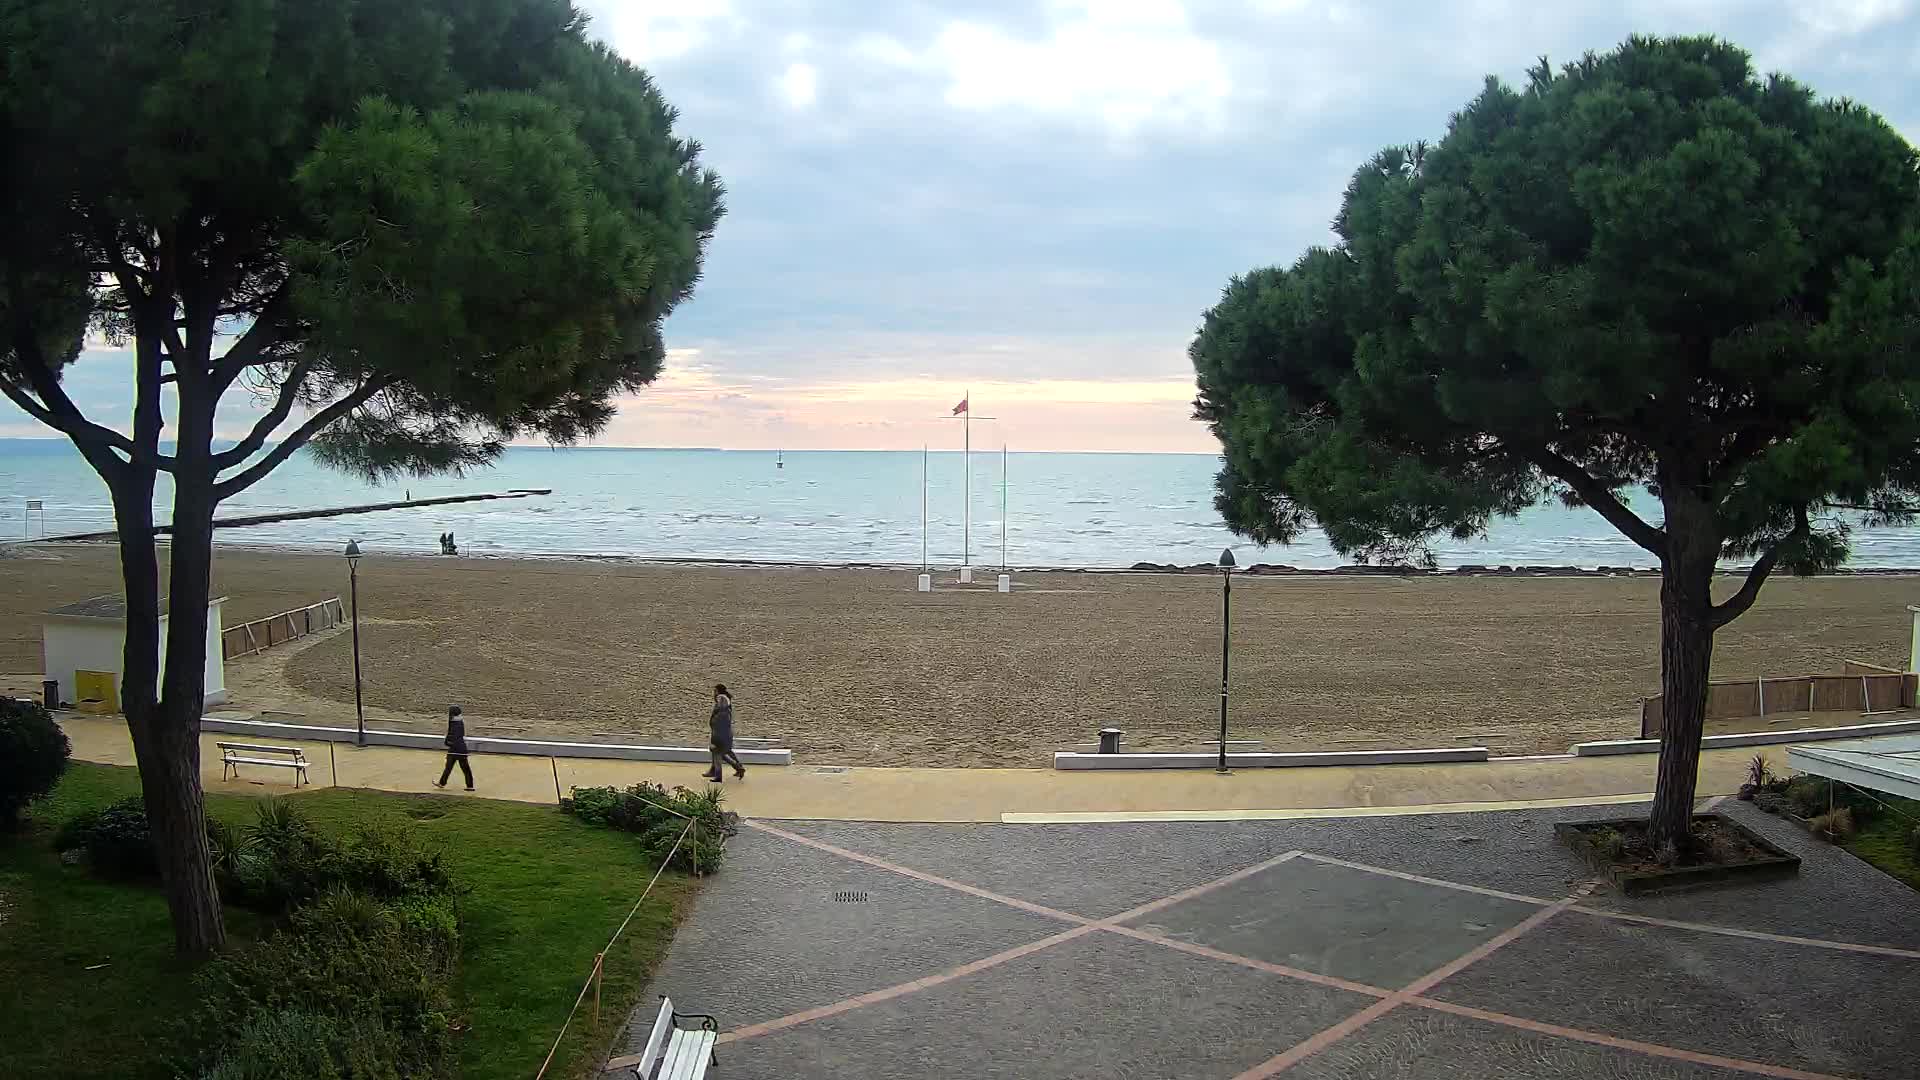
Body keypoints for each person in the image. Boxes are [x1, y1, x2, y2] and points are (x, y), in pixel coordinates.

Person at [703, 684, 746, 782]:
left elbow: (719, 724)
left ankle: (721, 773)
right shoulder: (724, 708)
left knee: (718, 751)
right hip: (723, 733)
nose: (714, 694)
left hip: (720, 734)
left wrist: (715, 736)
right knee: (725, 751)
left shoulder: (722, 708)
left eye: (715, 692)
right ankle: (715, 770)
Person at [434, 705, 474, 790]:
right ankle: (470, 786)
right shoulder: (459, 722)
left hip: (455, 749)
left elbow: (454, 736)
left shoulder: (455, 723)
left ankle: (442, 783)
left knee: (450, 767)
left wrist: (449, 743)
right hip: (461, 749)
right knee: (464, 768)